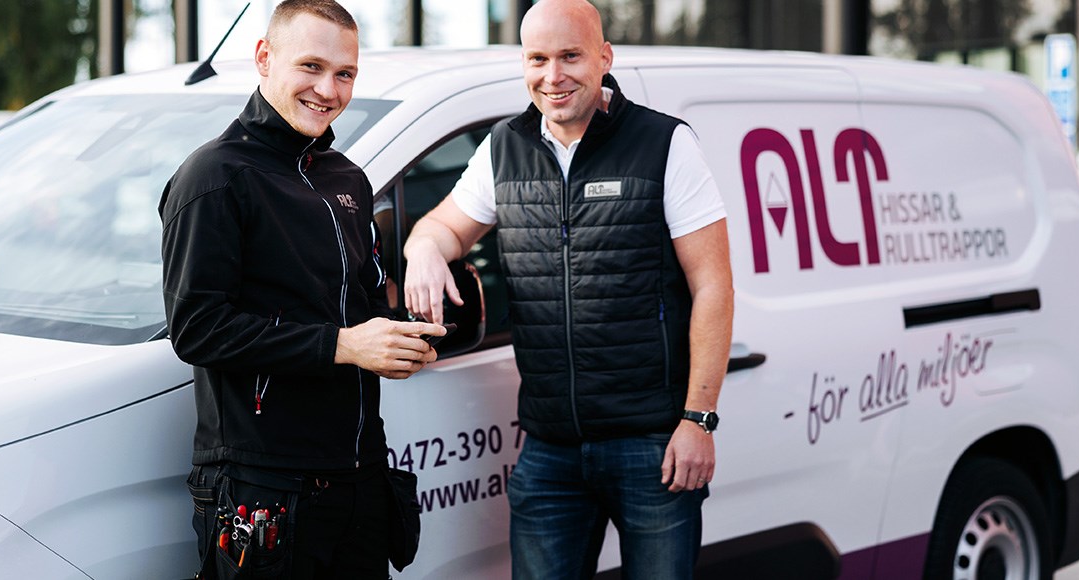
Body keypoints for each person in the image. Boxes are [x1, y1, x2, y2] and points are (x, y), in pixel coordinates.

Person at [402, 0, 733, 577]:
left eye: (570, 57)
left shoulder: (663, 143)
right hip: (549, 447)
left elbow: (713, 286)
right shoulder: (505, 148)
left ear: (604, 57)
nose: (552, 76)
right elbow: (442, 227)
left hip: (652, 443)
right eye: (537, 59)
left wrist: (698, 420)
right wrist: (424, 250)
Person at [159, 1, 445, 577]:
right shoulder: (214, 177)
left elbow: (363, 305)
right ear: (265, 57)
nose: (328, 90)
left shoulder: (347, 177)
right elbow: (197, 329)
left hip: (360, 475)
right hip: (264, 487)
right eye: (311, 66)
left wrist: (398, 341)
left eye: (345, 73)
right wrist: (343, 345)